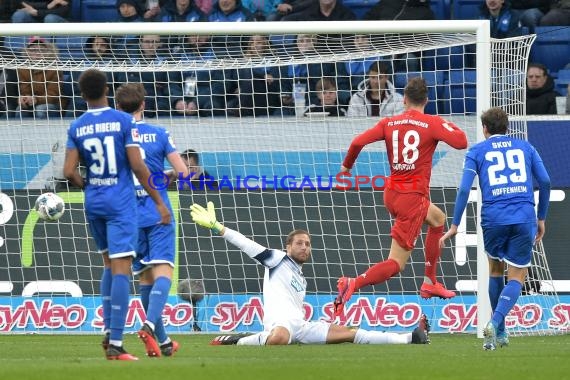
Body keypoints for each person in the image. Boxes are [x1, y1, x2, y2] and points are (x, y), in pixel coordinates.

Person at [190, 201, 431, 346]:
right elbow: (247, 244)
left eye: (307, 244)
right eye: (299, 243)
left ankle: (411, 338)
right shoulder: (277, 259)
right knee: (279, 339)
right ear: (288, 246)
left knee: (348, 333)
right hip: (280, 325)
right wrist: (218, 228)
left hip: (302, 327)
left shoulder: (301, 278)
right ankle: (239, 339)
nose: (304, 247)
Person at [333, 77, 468, 318]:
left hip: (392, 192)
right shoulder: (432, 123)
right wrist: (443, 124)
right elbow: (461, 142)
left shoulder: (389, 122)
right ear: (426, 100)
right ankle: (352, 283)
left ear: (404, 100)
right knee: (396, 263)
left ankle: (430, 280)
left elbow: (357, 142)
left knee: (437, 218)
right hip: (412, 199)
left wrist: (346, 167)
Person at [63, 68, 170, 361]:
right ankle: (117, 344)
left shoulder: (77, 126)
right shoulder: (124, 121)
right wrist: (159, 201)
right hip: (120, 204)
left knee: (108, 264)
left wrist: (89, 186)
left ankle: (109, 332)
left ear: (82, 94)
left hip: (93, 202)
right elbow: (137, 166)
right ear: (107, 90)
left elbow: (68, 171)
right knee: (122, 269)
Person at [439, 107, 550, 350]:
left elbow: (464, 190)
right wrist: (541, 217)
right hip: (523, 216)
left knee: (495, 269)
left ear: (485, 128)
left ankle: (498, 331)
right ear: (507, 127)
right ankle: (496, 323)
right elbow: (545, 181)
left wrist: (456, 224)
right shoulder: (526, 148)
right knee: (517, 276)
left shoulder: (477, 151)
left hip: (493, 218)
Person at [115, 83, 189, 357]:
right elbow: (183, 173)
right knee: (163, 274)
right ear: (143, 105)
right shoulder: (159, 133)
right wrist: (166, 175)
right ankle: (147, 324)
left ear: (118, 107)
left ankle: (165, 341)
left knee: (145, 279)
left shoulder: (115, 138)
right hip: (158, 212)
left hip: (128, 217)